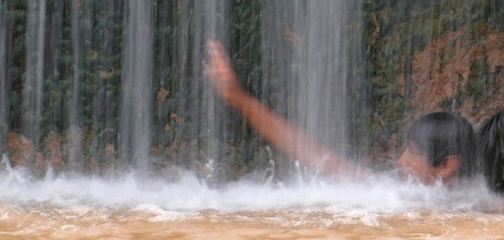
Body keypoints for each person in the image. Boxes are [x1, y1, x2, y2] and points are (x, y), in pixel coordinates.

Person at [204, 40, 475, 183]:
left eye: (414, 152)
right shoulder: (391, 194)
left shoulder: (477, 209)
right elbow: (313, 155)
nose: (400, 161)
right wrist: (238, 98)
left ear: (447, 166)